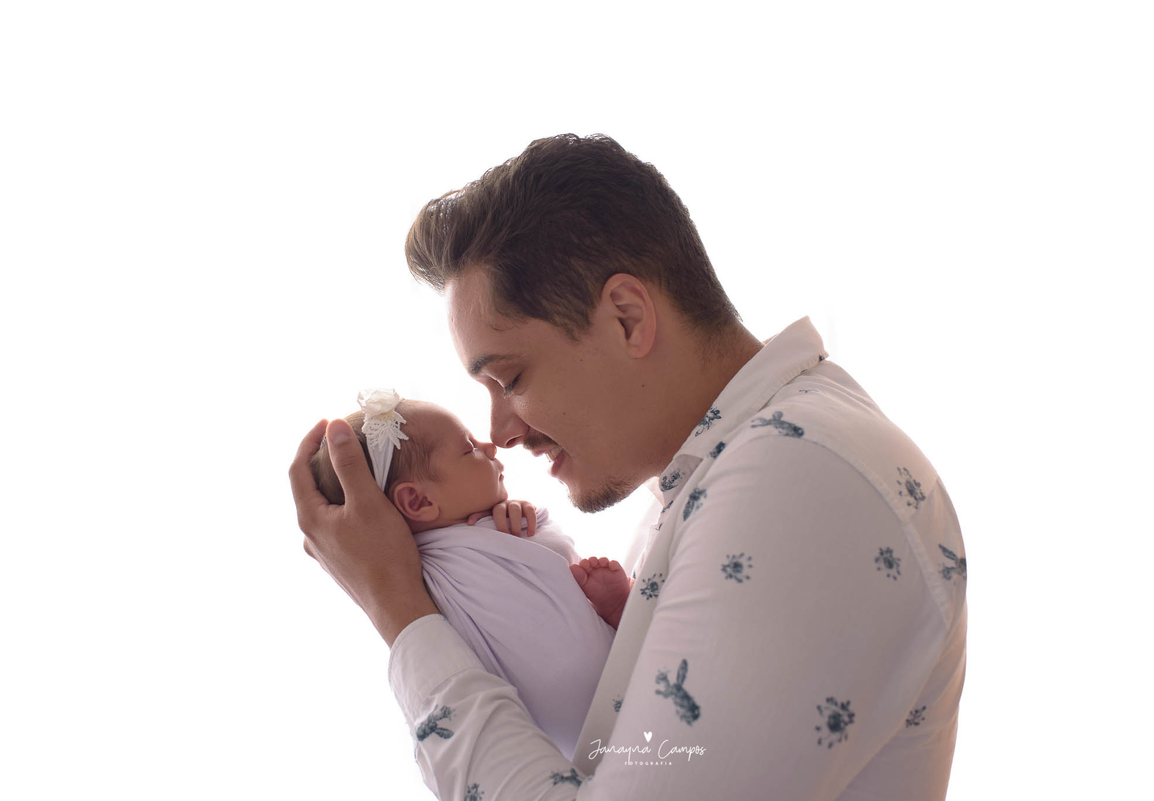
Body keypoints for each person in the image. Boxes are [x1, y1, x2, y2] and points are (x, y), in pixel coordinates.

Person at [289, 133, 967, 799]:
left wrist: (400, 609)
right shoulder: (722, 480)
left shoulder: (796, 479)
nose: (500, 432)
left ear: (626, 319)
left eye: (511, 379)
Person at [308, 389, 632, 758]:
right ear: (418, 501)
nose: (490, 446)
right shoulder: (414, 576)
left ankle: (618, 611)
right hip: (573, 728)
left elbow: (551, 560)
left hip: (606, 682)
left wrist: (519, 515)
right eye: (469, 448)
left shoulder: (494, 526)